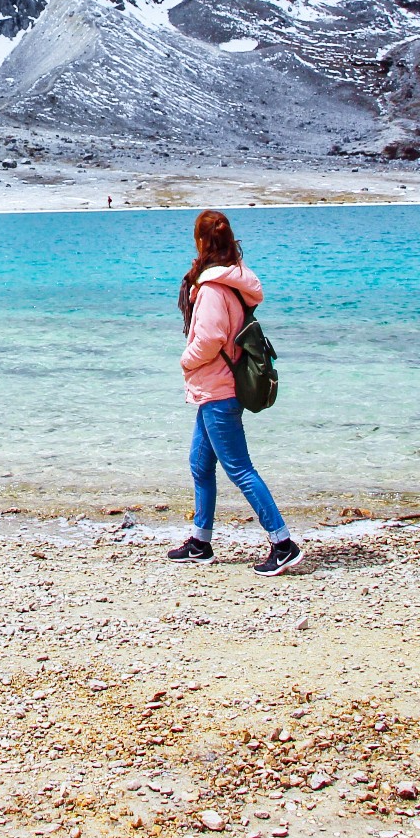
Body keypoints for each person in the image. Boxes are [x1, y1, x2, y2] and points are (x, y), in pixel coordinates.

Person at [166, 209, 303, 575]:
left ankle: (282, 542)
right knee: (200, 464)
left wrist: (186, 361)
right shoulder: (231, 281)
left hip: (218, 389)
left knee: (239, 469)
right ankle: (200, 541)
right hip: (215, 388)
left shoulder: (212, 288)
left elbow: (210, 338)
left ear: (200, 242)